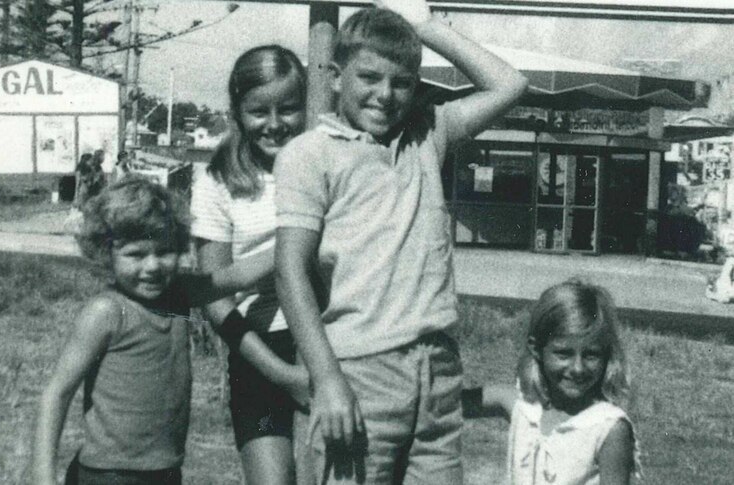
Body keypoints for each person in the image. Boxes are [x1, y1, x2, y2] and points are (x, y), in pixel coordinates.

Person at [273, 1, 527, 483]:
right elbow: (290, 271)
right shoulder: (308, 155)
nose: (385, 95)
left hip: (437, 369)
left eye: (402, 82)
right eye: (368, 77)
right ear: (333, 76)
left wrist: (422, 26)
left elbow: (510, 84)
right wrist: (326, 379)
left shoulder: (428, 135)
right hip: (357, 371)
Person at [32, 176, 275, 485]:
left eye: (164, 251)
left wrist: (299, 239)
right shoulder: (106, 312)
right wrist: (42, 476)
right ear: (106, 254)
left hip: (165, 472)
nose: (152, 266)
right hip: (109, 474)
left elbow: (236, 276)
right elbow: (57, 392)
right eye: (135, 254)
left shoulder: (179, 294)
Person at [190, 44, 310, 485]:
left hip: (327, 341)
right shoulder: (218, 180)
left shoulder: (326, 164)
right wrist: (282, 374)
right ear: (237, 111)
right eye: (259, 110)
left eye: (290, 108)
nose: (275, 124)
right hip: (259, 358)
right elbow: (214, 297)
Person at [462, 279, 641, 484]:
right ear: (537, 348)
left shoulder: (607, 427)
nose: (578, 368)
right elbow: (446, 403)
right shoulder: (523, 407)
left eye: (591, 355)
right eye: (564, 353)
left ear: (607, 354)